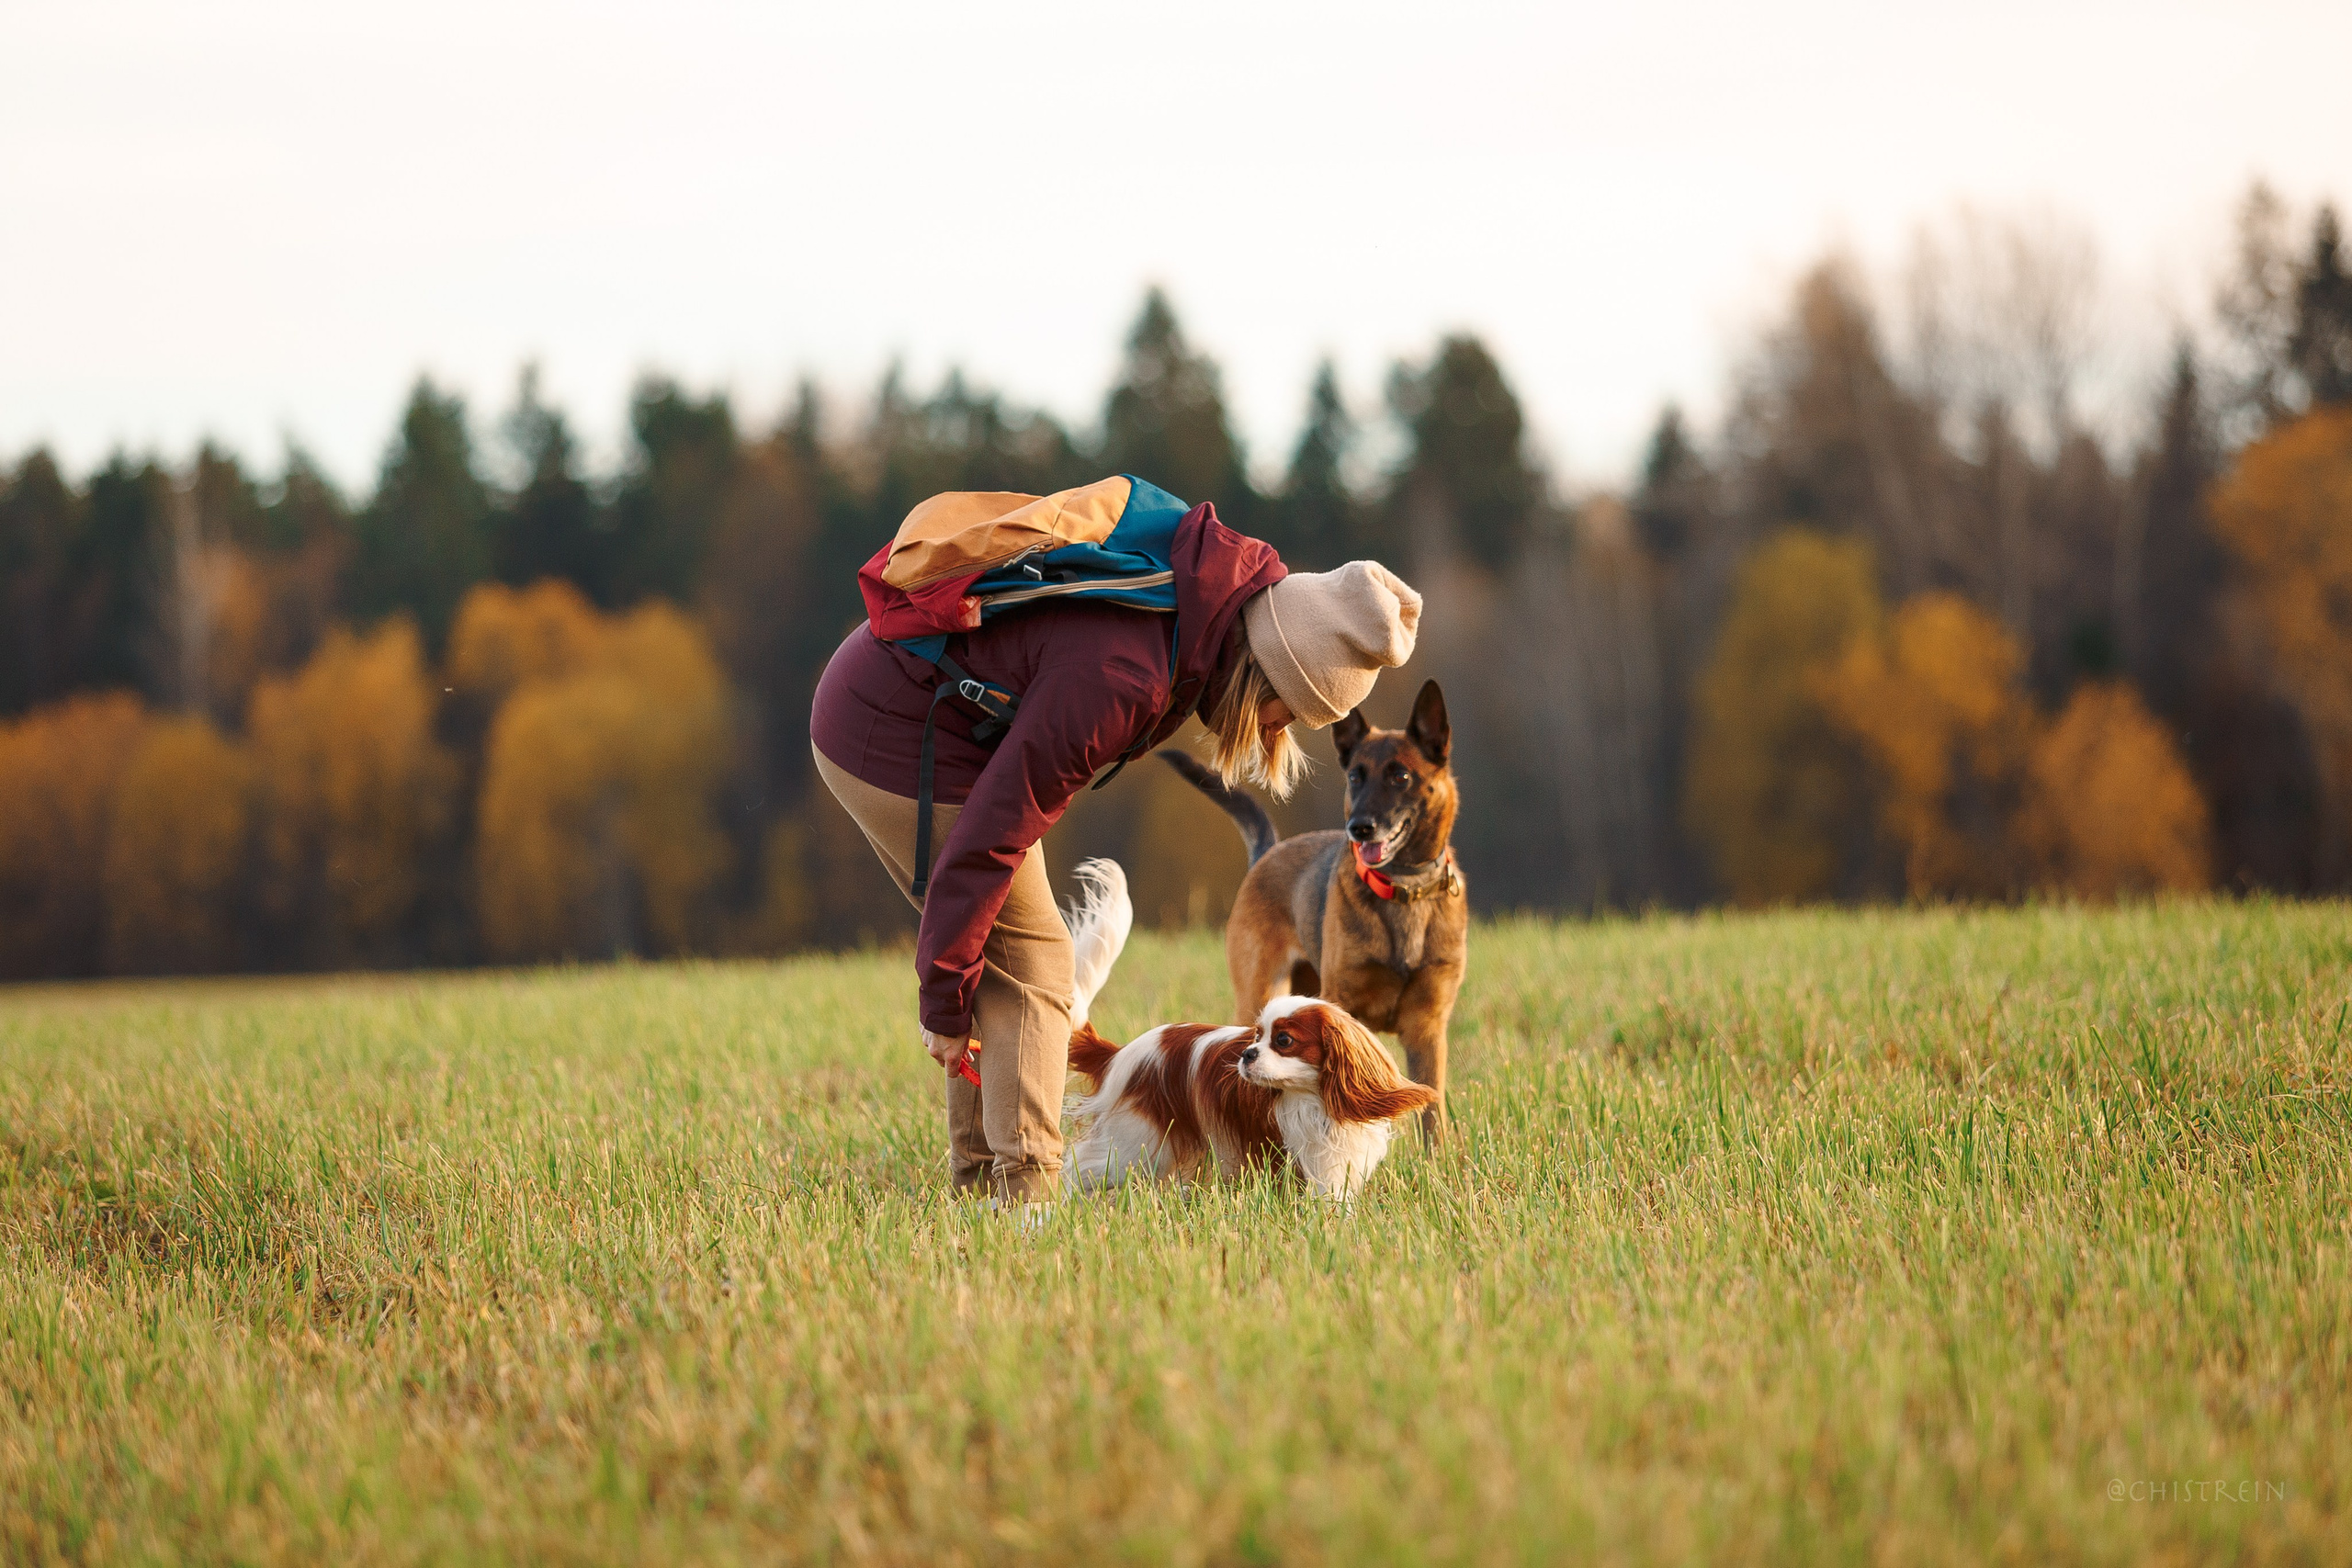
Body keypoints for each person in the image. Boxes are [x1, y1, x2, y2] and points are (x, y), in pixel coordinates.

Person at [809, 480, 1421, 1203]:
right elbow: (985, 839)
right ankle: (1026, 1199)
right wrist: (943, 996)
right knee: (1034, 962)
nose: (1274, 733)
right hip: (891, 733)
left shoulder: (1193, 604)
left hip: (898, 706)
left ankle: (979, 1189)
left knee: (1011, 954)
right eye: (1288, 713)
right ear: (1271, 670)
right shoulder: (1127, 677)